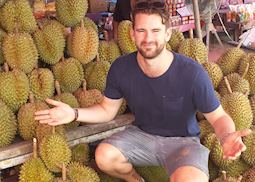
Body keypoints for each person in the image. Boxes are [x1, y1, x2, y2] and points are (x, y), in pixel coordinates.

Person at [35, 0, 251, 181]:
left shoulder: (192, 73)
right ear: (132, 34)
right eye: (142, 30)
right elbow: (107, 110)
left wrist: (226, 135)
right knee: (103, 156)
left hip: (183, 142)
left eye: (156, 30)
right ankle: (135, 179)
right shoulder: (120, 68)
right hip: (142, 136)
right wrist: (73, 113)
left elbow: (219, 116)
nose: (148, 38)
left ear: (167, 34)